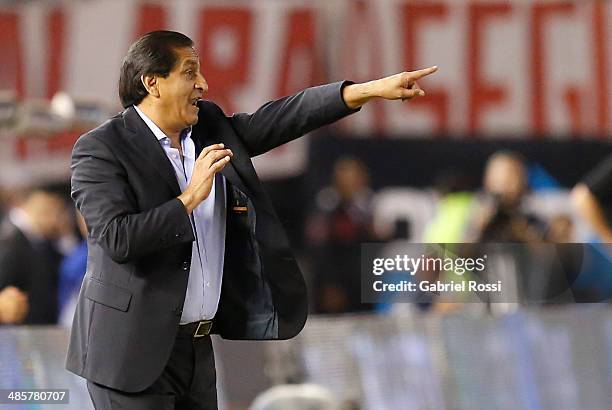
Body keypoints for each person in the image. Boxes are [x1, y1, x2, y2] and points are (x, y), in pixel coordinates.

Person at [65, 30, 437, 409]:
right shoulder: (101, 148)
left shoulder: (208, 128)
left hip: (196, 349)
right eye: (190, 72)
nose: (203, 84)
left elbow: (282, 118)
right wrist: (189, 198)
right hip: (131, 353)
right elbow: (117, 239)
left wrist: (365, 91)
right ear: (152, 82)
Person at [0, 185, 69, 324]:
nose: (54, 219)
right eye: (48, 211)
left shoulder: (44, 241)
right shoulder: (10, 242)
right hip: (20, 335)